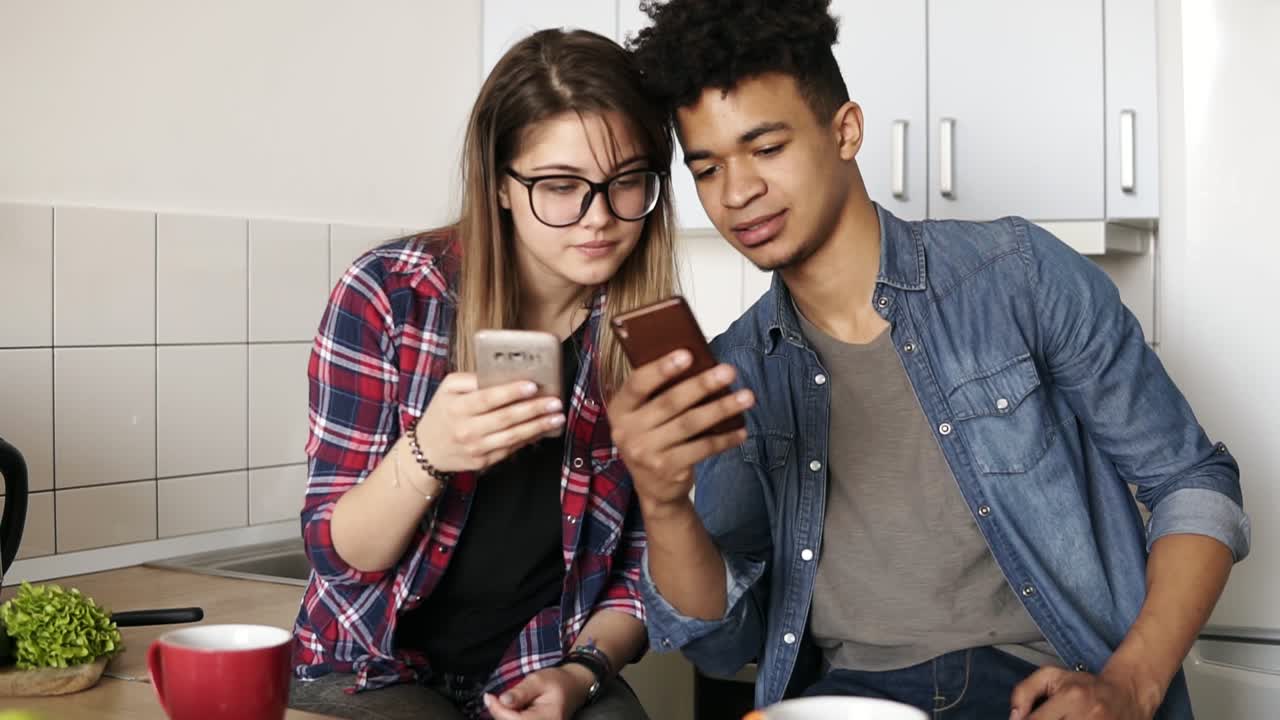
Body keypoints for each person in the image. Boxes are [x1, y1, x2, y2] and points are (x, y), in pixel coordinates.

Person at [609, 1, 1251, 718]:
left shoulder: (1017, 275)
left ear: (844, 130)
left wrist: (1131, 683)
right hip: (846, 701)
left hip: (1036, 690)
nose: (736, 193)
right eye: (707, 168)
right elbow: (724, 643)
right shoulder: (740, 367)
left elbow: (1194, 484)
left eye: (766, 149)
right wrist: (664, 505)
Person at [289, 28, 675, 720]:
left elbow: (644, 575)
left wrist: (583, 673)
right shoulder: (390, 295)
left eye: (627, 184)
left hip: (542, 663)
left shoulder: (648, 341)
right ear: (499, 183)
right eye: (560, 187)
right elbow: (337, 554)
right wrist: (428, 455)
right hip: (366, 668)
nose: (599, 218)